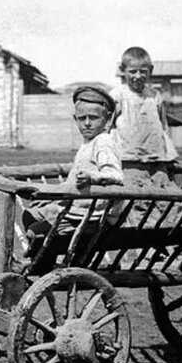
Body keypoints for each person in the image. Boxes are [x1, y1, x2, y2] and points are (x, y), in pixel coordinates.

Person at [21, 85, 122, 269]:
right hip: (81, 209)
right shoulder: (89, 143)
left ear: (107, 119)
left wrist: (93, 177)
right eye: (82, 118)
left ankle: (45, 266)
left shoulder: (104, 142)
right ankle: (48, 262)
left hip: (93, 216)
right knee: (31, 215)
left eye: (94, 118)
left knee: (38, 231)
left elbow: (115, 175)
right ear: (75, 119)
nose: (87, 123)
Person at [110, 47, 178, 185]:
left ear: (150, 71)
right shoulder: (117, 95)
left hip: (156, 159)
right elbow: (107, 126)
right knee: (134, 198)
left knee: (163, 197)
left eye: (143, 71)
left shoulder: (154, 96)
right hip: (129, 160)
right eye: (132, 71)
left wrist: (168, 153)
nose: (138, 76)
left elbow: (163, 127)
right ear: (123, 70)